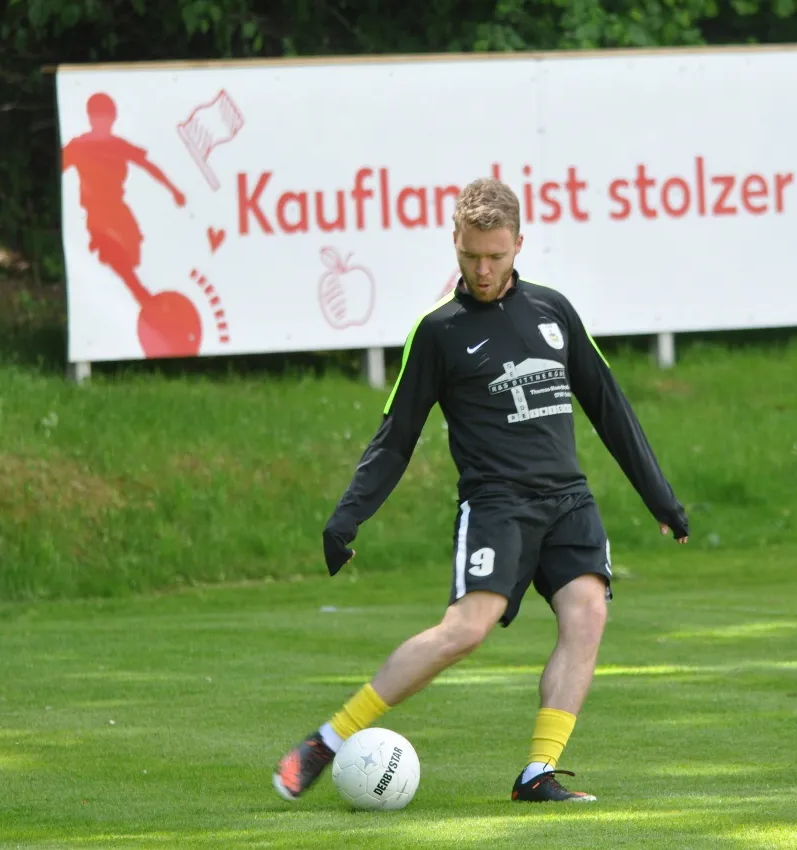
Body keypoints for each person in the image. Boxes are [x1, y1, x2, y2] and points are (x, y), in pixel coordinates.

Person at [272, 177, 689, 804]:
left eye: (496, 255)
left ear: (519, 243)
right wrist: (346, 517)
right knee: (466, 631)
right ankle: (328, 740)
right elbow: (396, 436)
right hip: (497, 505)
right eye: (471, 256)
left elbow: (609, 406)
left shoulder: (554, 311)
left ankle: (537, 772)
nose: (484, 270)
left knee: (588, 613)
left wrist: (660, 497)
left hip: (568, 501)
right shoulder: (438, 330)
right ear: (455, 243)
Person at [61, 92, 186, 306]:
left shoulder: (118, 145)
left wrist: (173, 190)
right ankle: (140, 293)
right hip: (96, 211)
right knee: (112, 247)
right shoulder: (79, 146)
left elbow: (148, 166)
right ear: (90, 118)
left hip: (116, 208)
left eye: (106, 117)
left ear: (113, 118)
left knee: (133, 243)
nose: (103, 123)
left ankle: (130, 285)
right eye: (98, 117)